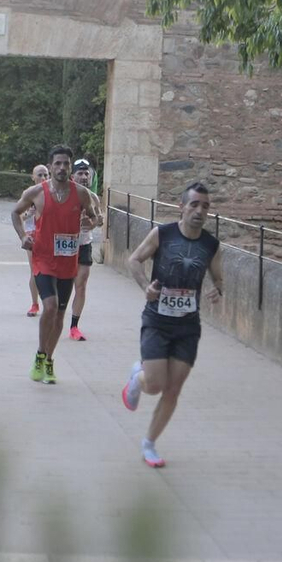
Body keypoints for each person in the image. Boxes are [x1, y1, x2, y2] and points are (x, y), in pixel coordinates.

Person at [120, 182, 224, 468]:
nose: (199, 211)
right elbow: (134, 260)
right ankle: (137, 379)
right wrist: (145, 287)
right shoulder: (162, 234)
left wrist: (218, 289)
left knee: (173, 389)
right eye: (194, 205)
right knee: (155, 384)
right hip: (157, 321)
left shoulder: (211, 245)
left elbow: (219, 277)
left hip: (188, 327)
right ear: (181, 207)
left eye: (205, 206)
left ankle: (149, 444)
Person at [12, 146, 100, 384]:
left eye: (66, 164)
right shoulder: (36, 192)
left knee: (60, 313)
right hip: (42, 258)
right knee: (49, 306)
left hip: (67, 261)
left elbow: (95, 217)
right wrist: (23, 237)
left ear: (70, 167)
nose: (62, 168)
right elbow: (15, 212)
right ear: (50, 167)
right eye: (58, 163)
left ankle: (49, 360)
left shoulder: (81, 193)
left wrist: (90, 222)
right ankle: (41, 353)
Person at [67, 158, 103, 341]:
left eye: (87, 173)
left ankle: (74, 326)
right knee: (62, 287)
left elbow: (100, 220)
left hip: (84, 245)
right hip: (64, 246)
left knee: (80, 285)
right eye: (80, 173)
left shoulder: (93, 198)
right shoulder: (64, 195)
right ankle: (55, 317)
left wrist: (92, 223)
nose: (83, 176)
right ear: (72, 176)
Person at [22, 164, 48, 317]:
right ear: (33, 177)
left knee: (51, 270)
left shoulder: (54, 193)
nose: (43, 178)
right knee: (35, 271)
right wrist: (29, 213)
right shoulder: (29, 195)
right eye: (40, 175)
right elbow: (19, 216)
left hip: (50, 235)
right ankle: (34, 304)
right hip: (33, 235)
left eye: (46, 174)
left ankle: (50, 303)